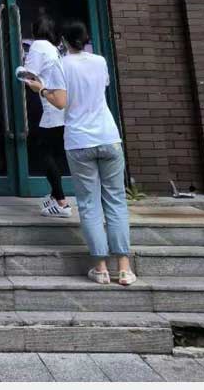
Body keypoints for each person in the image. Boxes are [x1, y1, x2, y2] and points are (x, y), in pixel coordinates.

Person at [27, 20, 137, 286]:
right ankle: (124, 268)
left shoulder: (62, 64)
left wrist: (41, 89)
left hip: (79, 141)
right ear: (86, 40)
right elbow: (101, 89)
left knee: (89, 205)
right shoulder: (100, 61)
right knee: (116, 202)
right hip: (109, 137)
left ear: (63, 42)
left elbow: (61, 102)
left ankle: (101, 269)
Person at [23, 14, 70, 218]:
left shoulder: (38, 45)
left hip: (50, 107)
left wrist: (20, 69)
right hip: (62, 107)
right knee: (53, 153)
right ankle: (54, 196)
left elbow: (29, 74)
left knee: (44, 153)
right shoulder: (54, 48)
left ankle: (61, 202)